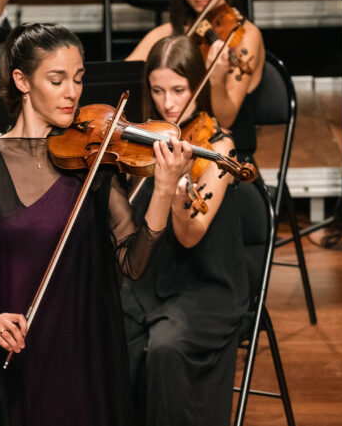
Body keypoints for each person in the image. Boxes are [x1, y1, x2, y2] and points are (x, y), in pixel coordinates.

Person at [0, 23, 194, 426]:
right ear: (22, 81)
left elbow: (132, 263)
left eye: (78, 79)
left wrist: (164, 190)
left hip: (85, 351)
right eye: (57, 79)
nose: (72, 92)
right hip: (14, 354)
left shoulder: (93, 161)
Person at [122, 35, 250, 426]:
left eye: (179, 90)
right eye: (157, 91)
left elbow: (191, 234)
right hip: (150, 278)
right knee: (103, 326)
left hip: (207, 285)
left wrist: (177, 199)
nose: (168, 104)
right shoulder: (145, 138)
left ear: (198, 85)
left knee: (165, 346)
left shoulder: (220, 149)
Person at [127, 0, 265, 160]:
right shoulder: (170, 34)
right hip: (172, 156)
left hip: (227, 161)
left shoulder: (245, 37)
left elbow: (226, 119)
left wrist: (217, 81)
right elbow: (121, 81)